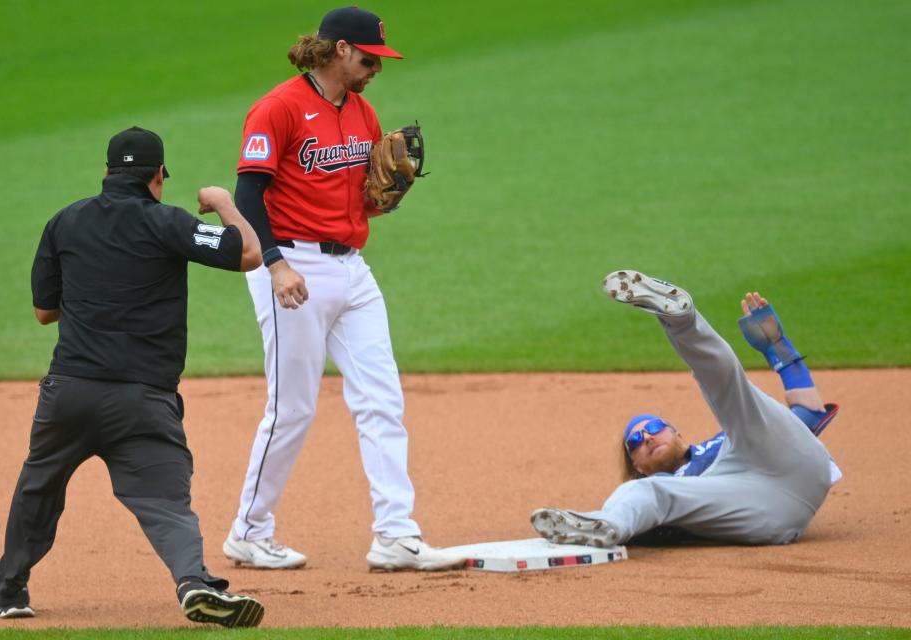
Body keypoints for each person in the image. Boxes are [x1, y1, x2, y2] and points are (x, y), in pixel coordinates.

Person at [0, 127, 266, 627]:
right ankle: (194, 582)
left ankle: (8, 591)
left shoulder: (64, 222)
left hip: (69, 393)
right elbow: (247, 252)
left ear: (107, 173)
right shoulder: (166, 222)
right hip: (142, 401)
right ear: (158, 176)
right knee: (166, 502)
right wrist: (224, 202)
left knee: (39, 486)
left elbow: (43, 312)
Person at [225, 6, 463, 572]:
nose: (376, 66)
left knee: (382, 398)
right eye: (368, 56)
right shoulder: (278, 109)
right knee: (292, 408)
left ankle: (395, 535)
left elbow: (361, 199)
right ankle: (249, 532)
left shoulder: (363, 113)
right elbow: (249, 195)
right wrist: (277, 266)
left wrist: (381, 200)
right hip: (292, 269)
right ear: (338, 51)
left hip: (353, 271)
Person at [531, 270, 841, 547]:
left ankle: (681, 319)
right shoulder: (667, 493)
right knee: (642, 495)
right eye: (635, 443)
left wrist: (779, 348)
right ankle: (605, 526)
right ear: (637, 467)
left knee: (729, 394)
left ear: (678, 433)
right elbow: (652, 512)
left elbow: (810, 415)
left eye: (652, 428)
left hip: (800, 468)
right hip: (763, 513)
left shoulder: (728, 441)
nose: (647, 438)